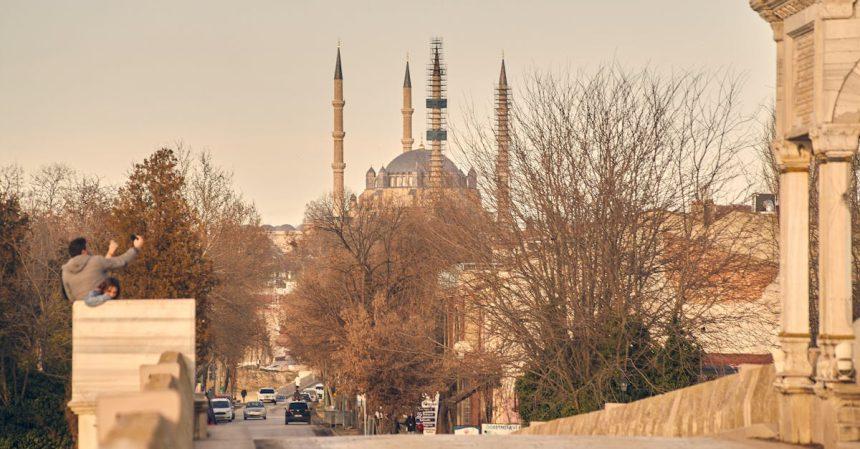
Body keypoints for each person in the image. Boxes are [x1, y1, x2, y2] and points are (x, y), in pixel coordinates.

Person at [62, 235, 143, 302]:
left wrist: (110, 252)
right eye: (87, 249)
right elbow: (122, 261)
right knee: (113, 282)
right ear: (83, 252)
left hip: (82, 312)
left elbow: (70, 297)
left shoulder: (65, 271)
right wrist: (136, 248)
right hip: (100, 307)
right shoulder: (95, 261)